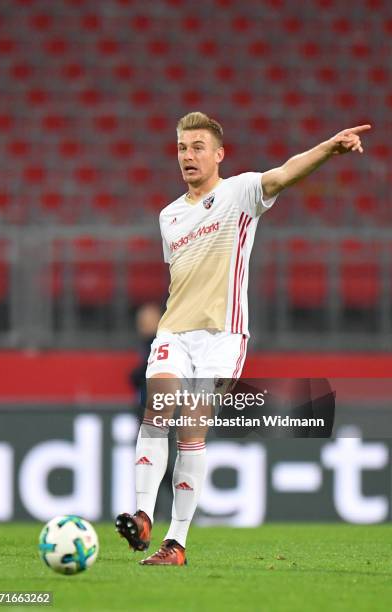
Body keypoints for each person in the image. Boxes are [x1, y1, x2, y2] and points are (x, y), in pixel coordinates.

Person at [116, 111, 370, 565]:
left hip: (223, 337)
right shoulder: (169, 217)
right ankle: (141, 515)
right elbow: (181, 279)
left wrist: (329, 149)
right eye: (181, 147)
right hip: (175, 329)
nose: (188, 156)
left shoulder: (241, 192)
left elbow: (287, 171)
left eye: (197, 147)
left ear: (219, 154)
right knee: (157, 407)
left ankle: (176, 543)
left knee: (192, 425)